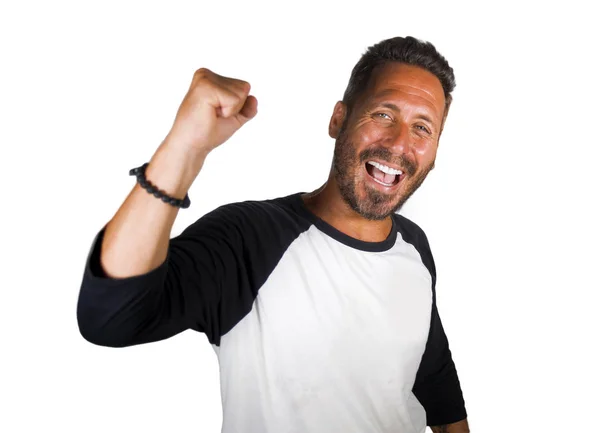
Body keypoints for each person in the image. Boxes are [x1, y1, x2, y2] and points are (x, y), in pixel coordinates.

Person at [77, 36, 469, 433]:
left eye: (423, 127)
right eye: (384, 115)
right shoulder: (250, 237)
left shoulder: (414, 248)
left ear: (434, 152)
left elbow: (432, 373)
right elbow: (111, 317)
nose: (400, 142)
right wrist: (184, 147)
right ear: (339, 120)